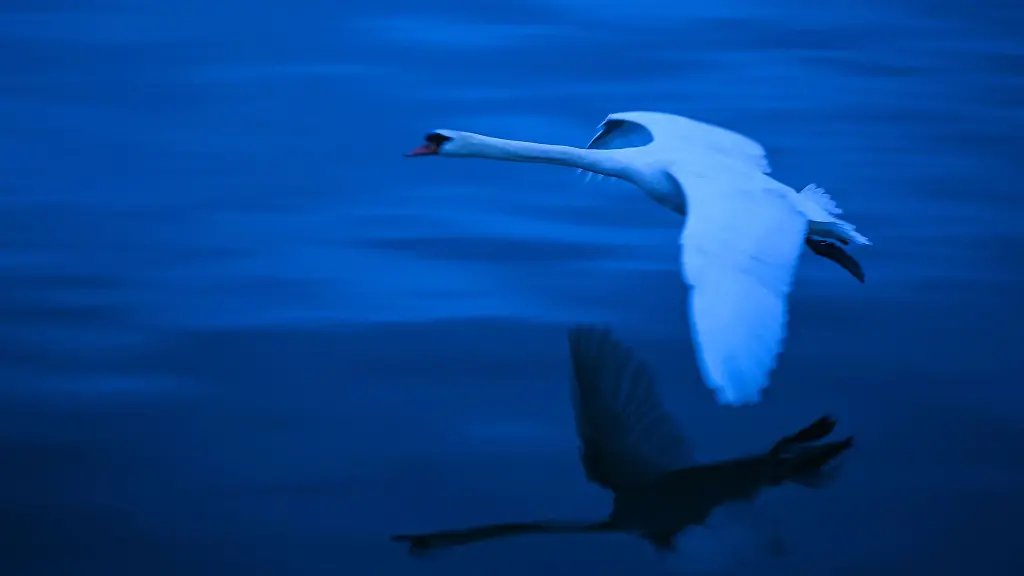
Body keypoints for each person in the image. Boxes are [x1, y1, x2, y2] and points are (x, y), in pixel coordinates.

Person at [391, 326, 853, 554]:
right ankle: (795, 461)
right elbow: (523, 527)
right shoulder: (637, 496)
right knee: (771, 471)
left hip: (706, 497)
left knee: (771, 471)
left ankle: (795, 461)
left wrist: (443, 541)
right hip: (722, 493)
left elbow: (523, 526)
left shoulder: (632, 490)